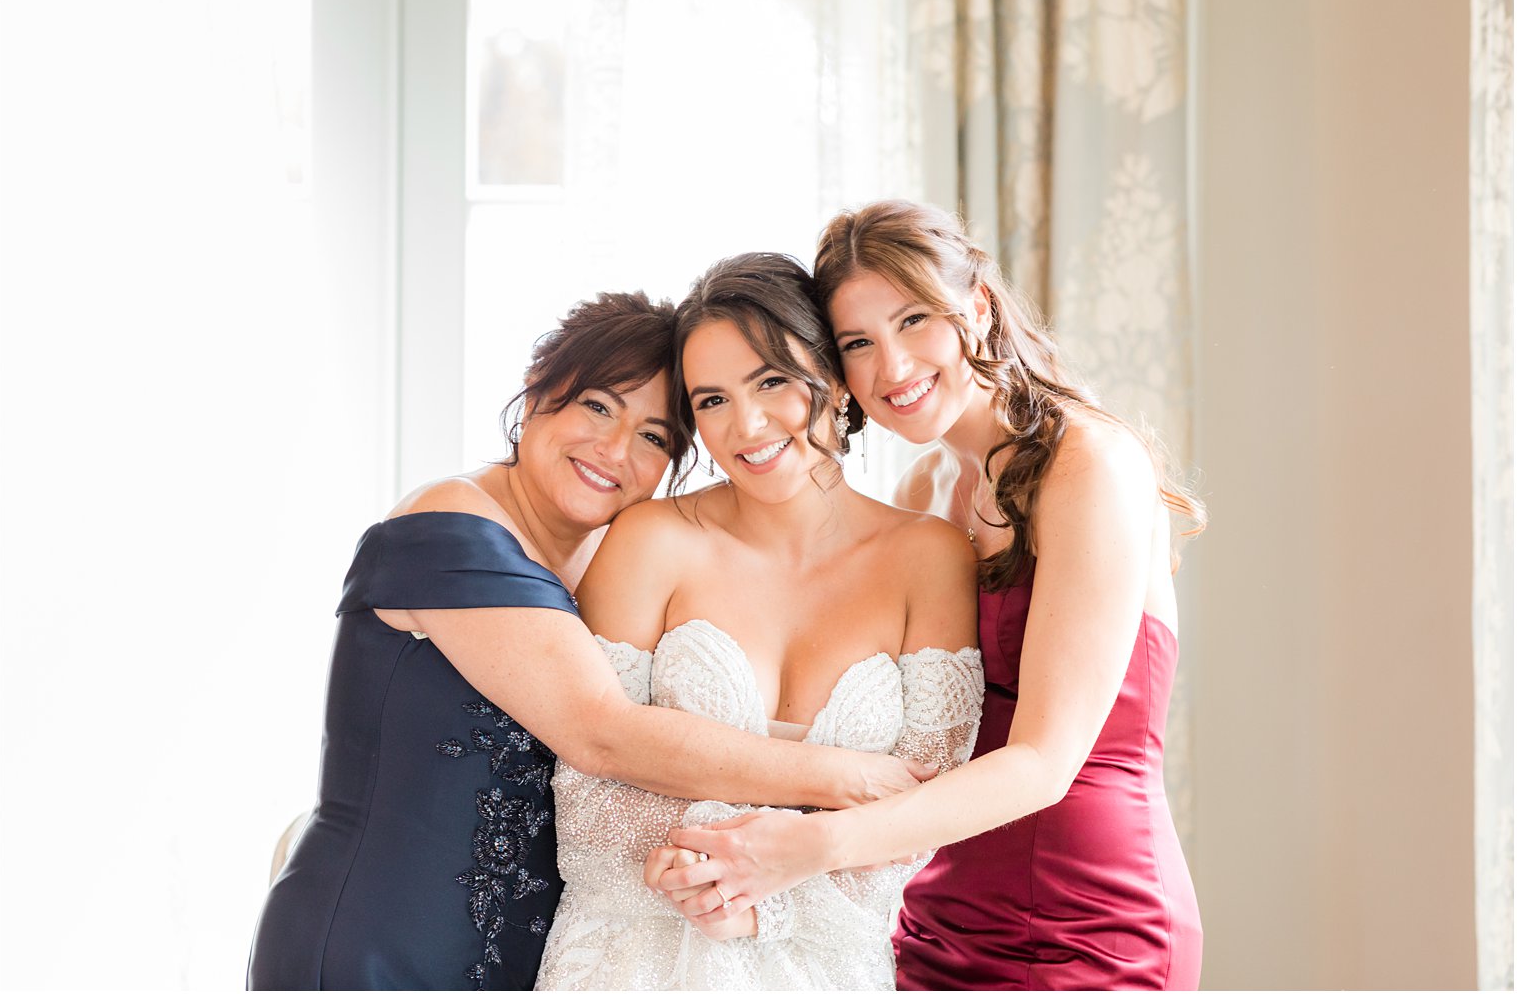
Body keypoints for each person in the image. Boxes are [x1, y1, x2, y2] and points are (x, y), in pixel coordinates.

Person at [245, 291, 934, 991]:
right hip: (381, 943)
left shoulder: (607, 560)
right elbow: (605, 736)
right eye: (599, 406)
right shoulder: (447, 528)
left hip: (523, 957)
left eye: (654, 436)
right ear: (539, 388)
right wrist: (847, 774)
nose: (614, 450)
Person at [649, 202, 1208, 990]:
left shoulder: (1091, 466)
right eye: (858, 344)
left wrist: (806, 849)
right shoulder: (930, 488)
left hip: (1090, 917)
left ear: (975, 308)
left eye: (914, 321)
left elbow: (1044, 762)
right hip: (939, 914)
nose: (895, 366)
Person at [532, 253, 984, 990]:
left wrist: (770, 902)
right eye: (710, 400)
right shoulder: (651, 541)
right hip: (629, 954)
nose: (745, 424)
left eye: (771, 380)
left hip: (825, 963)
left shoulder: (928, 556)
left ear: (835, 378)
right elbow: (585, 786)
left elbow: (925, 810)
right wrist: (719, 870)